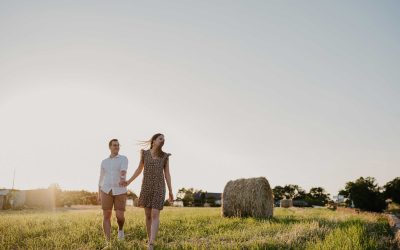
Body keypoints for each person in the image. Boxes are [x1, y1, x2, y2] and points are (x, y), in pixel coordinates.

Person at [121, 133, 173, 250]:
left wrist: (170, 191)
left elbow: (167, 174)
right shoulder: (144, 154)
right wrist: (128, 181)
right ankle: (150, 239)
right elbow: (139, 169)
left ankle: (151, 244)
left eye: (164, 139)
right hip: (146, 186)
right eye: (160, 139)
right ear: (153, 141)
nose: (163, 141)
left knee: (155, 214)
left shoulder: (165, 156)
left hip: (159, 187)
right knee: (148, 215)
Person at [98, 139, 128, 244]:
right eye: (114, 145)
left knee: (120, 216)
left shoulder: (123, 158)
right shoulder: (104, 162)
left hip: (120, 190)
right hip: (106, 190)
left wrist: (122, 178)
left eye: (118, 145)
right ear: (110, 147)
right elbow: (101, 178)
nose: (117, 147)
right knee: (106, 215)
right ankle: (108, 241)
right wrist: (99, 193)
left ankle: (120, 229)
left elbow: (123, 170)